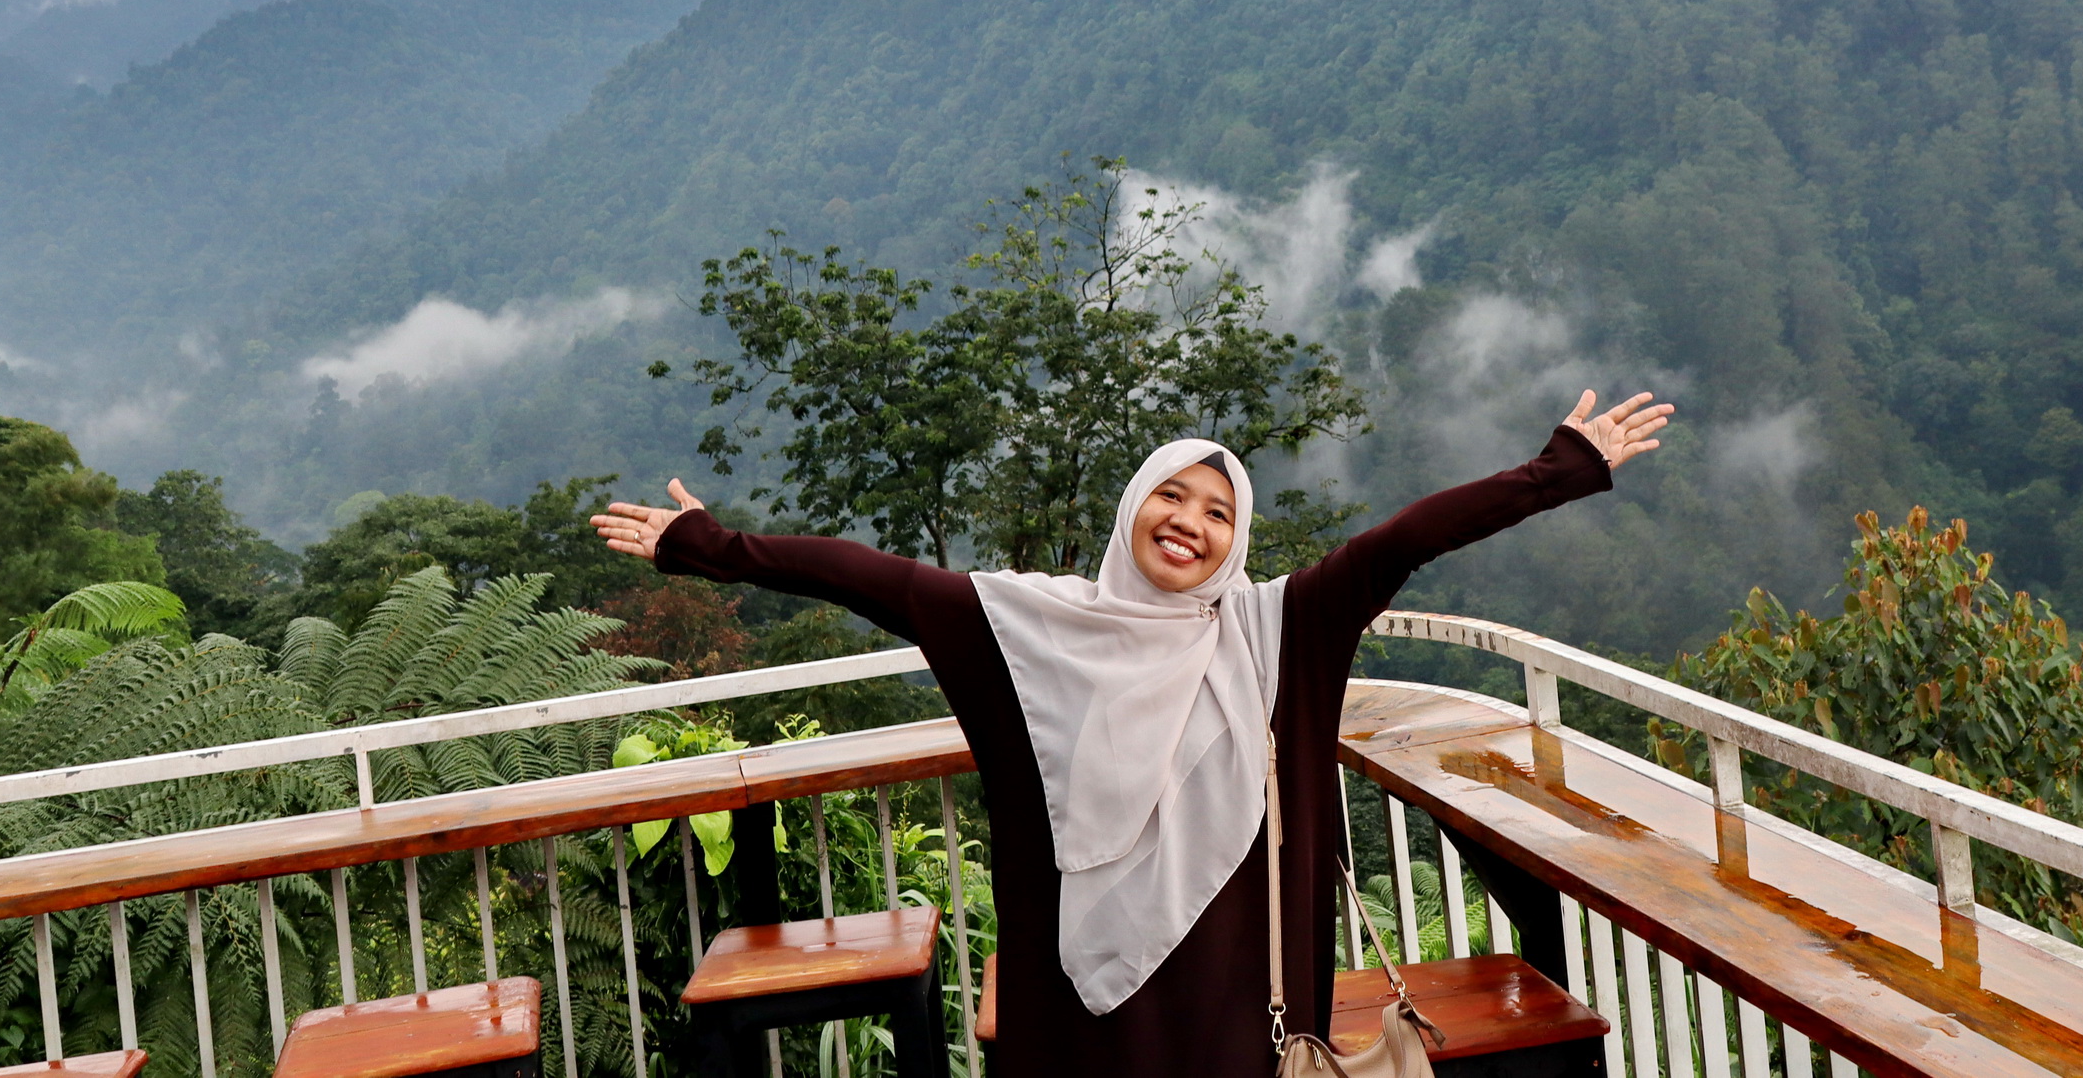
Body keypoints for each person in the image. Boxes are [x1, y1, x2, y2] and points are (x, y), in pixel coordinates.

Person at [594, 389, 1671, 1075]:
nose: (1188, 523)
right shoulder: (1032, 629)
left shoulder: (1272, 630)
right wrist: (711, 545)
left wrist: (1558, 466)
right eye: (1171, 493)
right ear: (1132, 505)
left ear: (1234, 538)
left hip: (1235, 997)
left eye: (1216, 511)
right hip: (1080, 1012)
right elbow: (876, 578)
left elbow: (1400, 539)